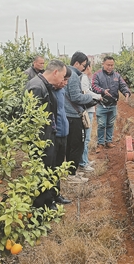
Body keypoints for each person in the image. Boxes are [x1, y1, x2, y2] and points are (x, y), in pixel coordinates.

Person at [25, 59, 69, 210]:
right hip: (42, 139)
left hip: (49, 136)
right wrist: (43, 141)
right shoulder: (37, 87)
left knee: (50, 168)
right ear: (55, 72)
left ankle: (50, 199)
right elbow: (33, 119)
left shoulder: (43, 85)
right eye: (63, 76)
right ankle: (41, 207)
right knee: (42, 171)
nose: (63, 80)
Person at [64, 51, 95, 183]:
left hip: (68, 115)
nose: (84, 68)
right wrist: (89, 96)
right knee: (77, 145)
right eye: (83, 65)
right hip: (73, 116)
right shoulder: (74, 76)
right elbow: (76, 97)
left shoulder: (67, 73)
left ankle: (70, 172)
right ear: (76, 63)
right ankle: (72, 175)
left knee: (70, 145)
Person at [92, 55, 131, 152]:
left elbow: (122, 85)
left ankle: (108, 141)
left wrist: (126, 93)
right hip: (102, 104)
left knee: (110, 124)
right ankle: (100, 143)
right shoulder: (97, 75)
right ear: (103, 64)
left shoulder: (117, 76)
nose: (110, 67)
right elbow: (94, 86)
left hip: (113, 104)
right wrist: (103, 91)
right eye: (108, 65)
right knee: (101, 124)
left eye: (112, 65)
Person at [51, 66, 73, 205]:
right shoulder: (50, 91)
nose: (65, 83)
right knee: (51, 167)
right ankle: (49, 199)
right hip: (55, 134)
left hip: (63, 133)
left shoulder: (61, 90)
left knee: (58, 166)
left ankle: (56, 194)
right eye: (64, 79)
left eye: (67, 80)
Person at [79, 61, 101, 172]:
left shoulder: (87, 78)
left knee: (87, 137)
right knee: (86, 138)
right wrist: (98, 96)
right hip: (87, 110)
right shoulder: (83, 78)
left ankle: (85, 160)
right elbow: (86, 92)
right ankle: (83, 163)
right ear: (88, 67)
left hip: (89, 109)